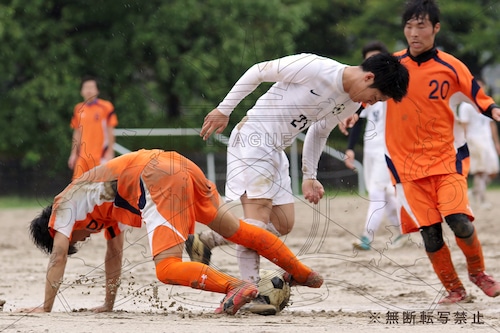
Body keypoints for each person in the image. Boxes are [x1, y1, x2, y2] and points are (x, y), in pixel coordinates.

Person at [195, 52, 409, 314]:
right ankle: (248, 290)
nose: (372, 104)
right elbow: (259, 70)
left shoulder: (352, 103)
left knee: (283, 224)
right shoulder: (315, 68)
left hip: (276, 150)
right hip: (253, 139)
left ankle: (207, 240)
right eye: (375, 97)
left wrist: (310, 175)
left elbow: (318, 132)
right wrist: (224, 109)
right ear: (368, 77)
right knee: (257, 220)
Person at [21, 149, 322, 315]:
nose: (79, 242)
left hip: (157, 176)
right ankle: (304, 273)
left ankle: (236, 286)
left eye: (75, 240)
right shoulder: (100, 210)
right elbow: (114, 255)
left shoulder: (64, 205)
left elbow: (58, 255)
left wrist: (45, 308)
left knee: (166, 268)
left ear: (53, 228)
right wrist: (108, 305)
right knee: (239, 231)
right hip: (179, 165)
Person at [384, 0, 500, 304]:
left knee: (460, 221)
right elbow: (363, 93)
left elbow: (479, 96)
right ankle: (454, 289)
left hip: (445, 160)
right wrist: (352, 113)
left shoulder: (451, 66)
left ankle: (479, 273)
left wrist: (494, 110)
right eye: (408, 26)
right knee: (430, 234)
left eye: (421, 25)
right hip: (406, 168)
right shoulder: (392, 66)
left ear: (436, 28)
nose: (413, 32)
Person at [343, 41, 405, 251]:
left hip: (387, 150)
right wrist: (350, 148)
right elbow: (358, 119)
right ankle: (406, 230)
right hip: (370, 150)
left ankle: (367, 237)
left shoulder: (392, 93)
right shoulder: (367, 93)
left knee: (379, 192)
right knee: (385, 194)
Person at [456, 78, 500, 210]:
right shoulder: (465, 106)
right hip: (474, 140)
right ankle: (481, 199)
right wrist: (462, 144)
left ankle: (475, 191)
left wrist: (496, 143)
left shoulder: (486, 105)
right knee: (480, 171)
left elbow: (491, 124)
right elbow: (463, 125)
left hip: (487, 140)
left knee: (493, 171)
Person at [68, 76, 118, 180]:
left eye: (91, 87)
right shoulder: (78, 109)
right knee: (77, 187)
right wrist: (73, 154)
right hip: (83, 157)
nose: (89, 90)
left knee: (100, 187)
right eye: (86, 87)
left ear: (97, 90)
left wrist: (110, 152)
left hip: (100, 155)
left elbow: (110, 131)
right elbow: (77, 132)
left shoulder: (106, 107)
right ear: (81, 91)